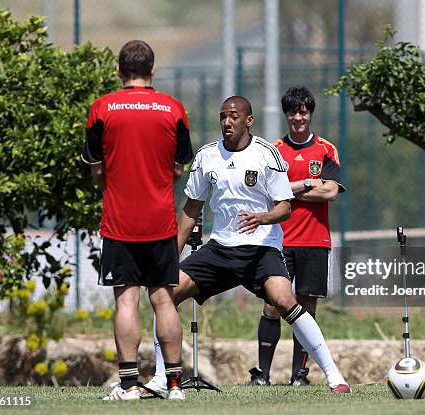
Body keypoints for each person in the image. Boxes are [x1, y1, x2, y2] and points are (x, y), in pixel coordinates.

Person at [145, 96, 350, 395]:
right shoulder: (206, 157)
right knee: (165, 294)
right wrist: (169, 259)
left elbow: (285, 208)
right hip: (220, 248)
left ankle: (335, 377)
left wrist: (262, 218)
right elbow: (191, 210)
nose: (227, 122)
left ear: (248, 121)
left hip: (261, 247)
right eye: (223, 116)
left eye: (234, 116)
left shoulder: (267, 154)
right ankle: (163, 379)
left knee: (284, 300)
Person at [81, 40, 193, 400]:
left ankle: (129, 384)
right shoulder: (173, 109)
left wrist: (110, 184)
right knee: (163, 299)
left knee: (126, 302)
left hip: (119, 220)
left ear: (119, 71)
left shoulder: (102, 109)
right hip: (160, 220)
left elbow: (96, 169)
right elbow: (180, 167)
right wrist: (160, 182)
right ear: (153, 71)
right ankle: (174, 384)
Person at [247, 86, 344, 387]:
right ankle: (262, 375)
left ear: (310, 114)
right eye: (293, 112)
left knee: (306, 309)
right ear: (286, 115)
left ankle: (298, 376)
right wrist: (305, 184)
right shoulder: (274, 150)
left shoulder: (326, 149)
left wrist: (290, 190)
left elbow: (331, 191)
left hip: (315, 241)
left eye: (303, 111)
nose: (298, 117)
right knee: (272, 305)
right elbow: (269, 193)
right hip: (279, 242)